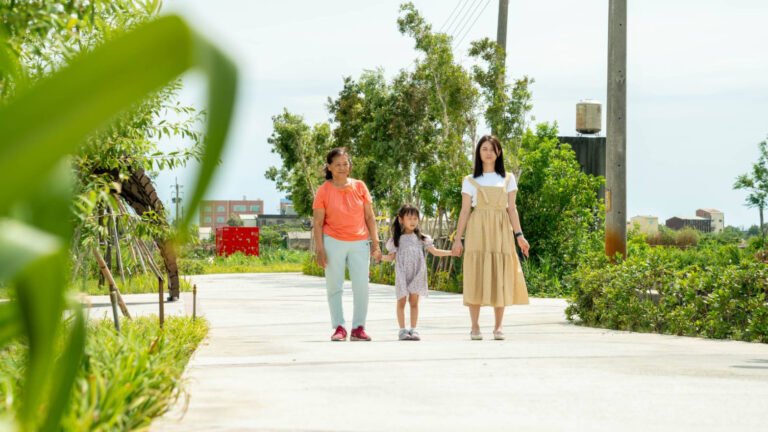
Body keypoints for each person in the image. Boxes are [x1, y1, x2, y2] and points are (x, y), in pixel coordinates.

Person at [452, 135, 530, 341]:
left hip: (502, 230)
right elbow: (465, 210)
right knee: (476, 272)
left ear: (499, 153)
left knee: (500, 273)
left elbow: (512, 209)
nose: (488, 152)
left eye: (492, 149)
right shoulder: (470, 180)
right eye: (484, 148)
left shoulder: (508, 178)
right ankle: (475, 326)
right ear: (479, 152)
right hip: (478, 230)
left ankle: (498, 327)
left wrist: (519, 235)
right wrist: (457, 238)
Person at [312, 147, 382, 341]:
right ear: (330, 167)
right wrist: (320, 249)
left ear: (349, 166)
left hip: (359, 242)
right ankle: (339, 327)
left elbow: (370, 217)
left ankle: (359, 327)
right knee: (334, 286)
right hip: (333, 241)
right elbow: (317, 223)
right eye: (337, 164)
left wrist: (375, 244)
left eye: (345, 163)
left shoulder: (360, 186)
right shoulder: (323, 190)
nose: (342, 168)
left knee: (362, 286)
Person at [382, 204, 454, 341]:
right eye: (409, 218)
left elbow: (435, 252)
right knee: (401, 301)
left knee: (414, 302)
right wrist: (380, 257)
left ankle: (414, 329)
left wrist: (451, 252)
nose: (413, 221)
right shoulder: (396, 240)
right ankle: (402, 330)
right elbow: (391, 257)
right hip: (402, 273)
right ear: (401, 219)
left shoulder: (422, 238)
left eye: (415, 218)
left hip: (417, 273)